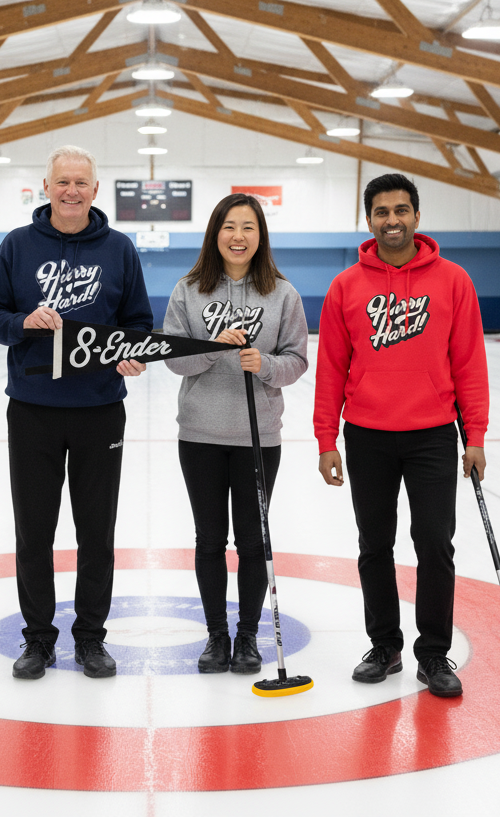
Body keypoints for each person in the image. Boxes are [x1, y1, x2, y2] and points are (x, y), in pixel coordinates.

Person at [0, 145, 153, 680]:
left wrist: (132, 353)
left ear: (95, 190)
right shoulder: (16, 246)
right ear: (47, 188)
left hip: (100, 409)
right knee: (34, 531)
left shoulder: (120, 249)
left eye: (82, 182)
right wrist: (23, 323)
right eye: (63, 182)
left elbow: (139, 323)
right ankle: (37, 640)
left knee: (95, 532)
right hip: (33, 409)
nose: (72, 191)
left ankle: (90, 638)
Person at [314, 173, 488, 698]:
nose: (392, 220)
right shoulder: (346, 286)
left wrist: (474, 435)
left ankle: (434, 653)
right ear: (369, 220)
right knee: (375, 546)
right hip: (366, 434)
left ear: (417, 215)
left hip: (433, 434)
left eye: (401, 210)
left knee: (435, 544)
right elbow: (331, 368)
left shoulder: (453, 280)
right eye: (382, 212)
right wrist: (327, 439)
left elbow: (469, 363)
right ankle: (385, 645)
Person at [163, 193, 308, 674]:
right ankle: (216, 637)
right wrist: (211, 348)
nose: (238, 236)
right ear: (215, 233)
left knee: (252, 540)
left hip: (257, 436)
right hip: (200, 434)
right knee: (209, 539)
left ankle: (247, 637)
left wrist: (264, 364)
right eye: (229, 226)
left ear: (260, 235)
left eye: (248, 227)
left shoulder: (283, 294)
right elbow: (174, 359)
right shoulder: (188, 289)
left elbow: (297, 361)